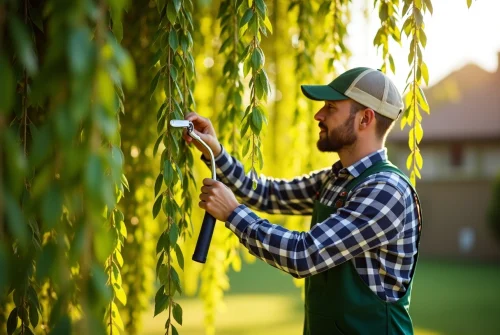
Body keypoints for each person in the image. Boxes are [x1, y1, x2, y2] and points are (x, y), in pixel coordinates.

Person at [183, 67, 422, 335]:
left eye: (331, 108)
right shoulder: (335, 179)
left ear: (365, 119)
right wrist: (216, 152)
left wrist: (233, 214)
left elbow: (304, 254)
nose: (318, 115)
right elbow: (267, 193)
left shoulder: (386, 191)